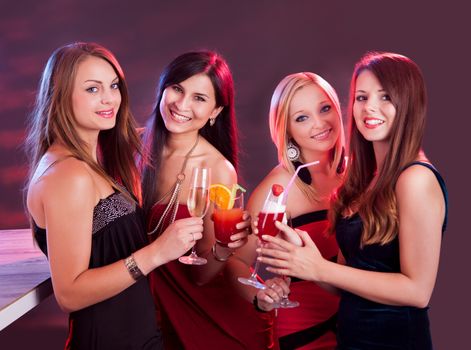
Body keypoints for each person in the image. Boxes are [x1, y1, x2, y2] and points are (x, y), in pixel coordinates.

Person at [257, 52, 448, 350]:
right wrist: (306, 260)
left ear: (409, 104)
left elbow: (418, 291)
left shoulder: (415, 178)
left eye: (385, 97)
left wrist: (319, 268)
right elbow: (345, 283)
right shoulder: (364, 180)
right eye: (361, 97)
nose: (370, 107)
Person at [25, 42, 204, 350]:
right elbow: (69, 293)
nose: (109, 98)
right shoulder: (70, 175)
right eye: (92, 89)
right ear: (60, 94)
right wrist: (157, 253)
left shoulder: (89, 161)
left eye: (113, 86)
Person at [141, 51, 276, 349]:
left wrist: (224, 247)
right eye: (177, 88)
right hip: (149, 313)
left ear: (215, 111)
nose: (182, 104)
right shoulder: (132, 149)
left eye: (199, 98)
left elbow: (201, 275)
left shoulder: (217, 169)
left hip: (207, 320)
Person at [227, 72, 345, 349]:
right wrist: (261, 294)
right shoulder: (279, 186)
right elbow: (236, 263)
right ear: (286, 129)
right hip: (307, 331)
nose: (319, 123)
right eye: (302, 117)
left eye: (324, 108)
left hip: (358, 322)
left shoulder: (357, 172)